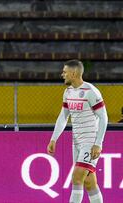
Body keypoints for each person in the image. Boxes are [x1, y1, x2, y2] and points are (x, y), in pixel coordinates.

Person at [47, 59, 108, 203]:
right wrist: (53, 139)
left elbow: (104, 117)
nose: (62, 74)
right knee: (89, 182)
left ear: (73, 73)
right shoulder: (68, 91)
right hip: (77, 142)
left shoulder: (91, 91)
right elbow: (63, 116)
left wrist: (98, 143)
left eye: (65, 72)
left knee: (76, 177)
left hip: (90, 141)